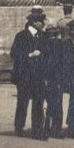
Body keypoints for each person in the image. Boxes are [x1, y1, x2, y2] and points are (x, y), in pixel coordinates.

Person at [10, 8, 47, 139]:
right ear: (34, 22)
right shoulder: (21, 36)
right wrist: (30, 55)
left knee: (38, 103)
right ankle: (19, 127)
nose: (43, 24)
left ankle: (37, 130)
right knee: (22, 102)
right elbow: (14, 53)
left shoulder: (43, 36)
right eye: (41, 21)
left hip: (38, 76)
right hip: (24, 75)